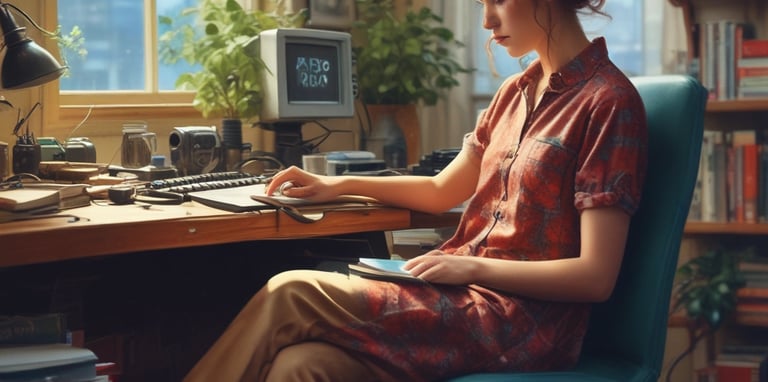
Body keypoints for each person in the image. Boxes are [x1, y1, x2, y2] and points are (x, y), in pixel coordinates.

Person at [184, 0, 647, 380]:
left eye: (498, 1)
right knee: (299, 367)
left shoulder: (608, 102)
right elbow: (441, 189)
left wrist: (468, 266)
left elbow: (595, 276)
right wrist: (337, 183)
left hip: (521, 324)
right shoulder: (513, 92)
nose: (486, 21)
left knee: (291, 290)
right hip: (461, 301)